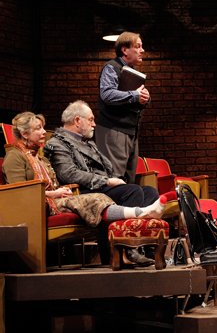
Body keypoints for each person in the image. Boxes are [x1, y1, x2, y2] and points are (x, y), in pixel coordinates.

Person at [6, 111, 172, 266]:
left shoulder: (39, 157)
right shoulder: (15, 156)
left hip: (57, 198)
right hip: (41, 205)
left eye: (43, 127)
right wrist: (54, 193)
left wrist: (62, 190)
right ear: (25, 134)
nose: (44, 132)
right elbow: (21, 192)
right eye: (38, 128)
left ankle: (144, 237)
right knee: (97, 198)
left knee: (144, 190)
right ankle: (140, 214)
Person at [44, 100, 164, 265]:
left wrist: (114, 180)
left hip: (100, 187)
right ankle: (122, 250)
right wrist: (107, 181)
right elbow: (68, 174)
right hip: (84, 192)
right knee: (132, 191)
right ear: (77, 121)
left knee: (150, 191)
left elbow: (106, 169)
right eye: (91, 119)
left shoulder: (88, 143)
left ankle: (146, 246)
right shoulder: (57, 143)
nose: (94, 124)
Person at [95, 31, 150, 184]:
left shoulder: (133, 72)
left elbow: (134, 98)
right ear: (125, 50)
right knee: (115, 177)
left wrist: (145, 98)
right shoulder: (112, 67)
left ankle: (126, 206)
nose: (142, 50)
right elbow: (107, 94)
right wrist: (134, 95)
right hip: (114, 129)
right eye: (138, 47)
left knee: (129, 178)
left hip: (130, 130)